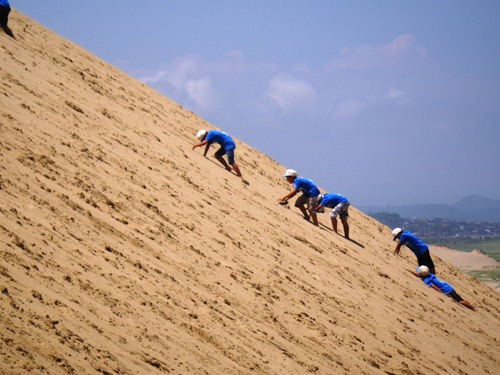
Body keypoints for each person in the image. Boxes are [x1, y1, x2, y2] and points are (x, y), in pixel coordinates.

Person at [409, 265, 476, 311]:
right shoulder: (430, 275)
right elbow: (419, 275)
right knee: (460, 298)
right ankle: (470, 305)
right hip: (448, 287)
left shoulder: (426, 280)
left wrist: (441, 293)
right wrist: (409, 271)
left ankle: (472, 308)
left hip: (447, 291)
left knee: (459, 302)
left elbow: (433, 286)